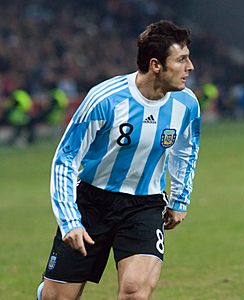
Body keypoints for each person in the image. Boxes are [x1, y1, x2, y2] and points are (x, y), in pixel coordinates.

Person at [37, 20, 201, 300]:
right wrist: (69, 220)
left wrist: (179, 200)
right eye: (182, 59)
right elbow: (65, 159)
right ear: (156, 65)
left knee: (135, 292)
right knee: (57, 298)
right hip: (91, 204)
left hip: (145, 206)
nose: (190, 67)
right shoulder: (105, 99)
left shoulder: (186, 104)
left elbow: (185, 151)